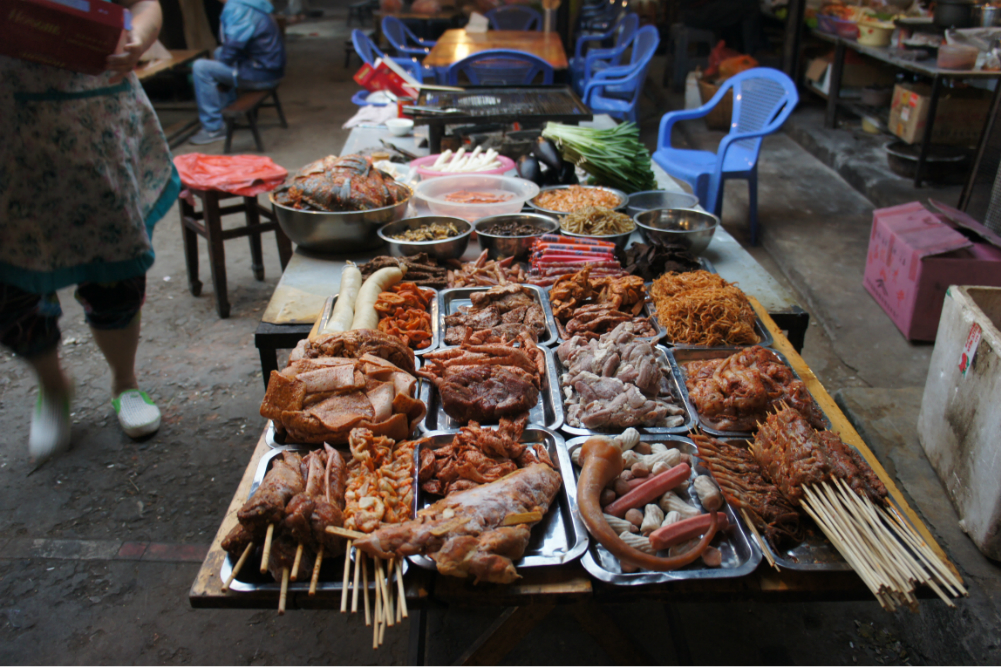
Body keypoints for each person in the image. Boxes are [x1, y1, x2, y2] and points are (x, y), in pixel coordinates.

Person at [0, 0, 180, 462]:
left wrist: (138, 34)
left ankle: (125, 383)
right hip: (9, 131)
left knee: (114, 265)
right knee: (10, 282)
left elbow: (143, 4)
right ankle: (53, 386)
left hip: (94, 122)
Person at [189, 0, 286, 145]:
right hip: (270, 69)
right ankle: (227, 108)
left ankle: (213, 128)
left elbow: (234, 45)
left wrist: (220, 67)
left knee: (200, 67)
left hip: (260, 74)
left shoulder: (237, 7)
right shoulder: (252, 3)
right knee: (219, 53)